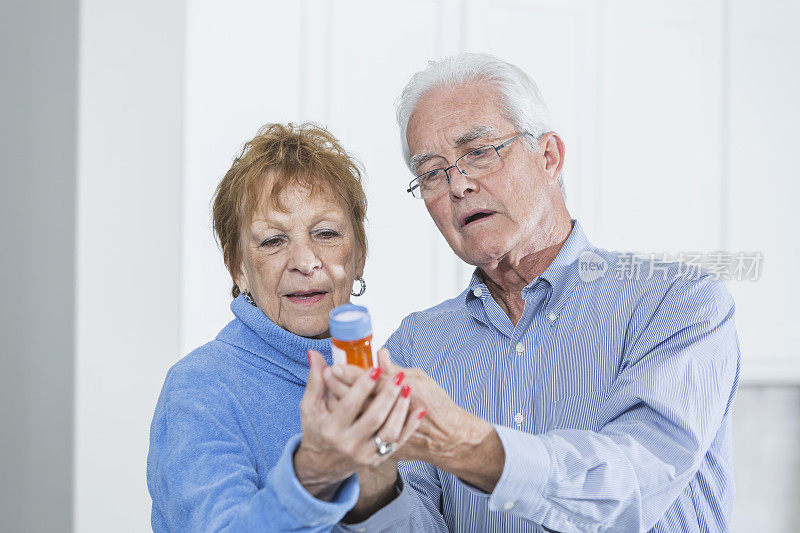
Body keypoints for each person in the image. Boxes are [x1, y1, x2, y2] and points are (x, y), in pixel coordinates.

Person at [327, 53, 740, 532]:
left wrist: (467, 445)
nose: (458, 185)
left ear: (549, 157)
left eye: (479, 151)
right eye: (433, 173)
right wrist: (372, 481)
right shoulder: (417, 345)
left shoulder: (679, 302)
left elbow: (629, 486)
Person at [146, 123, 426, 532]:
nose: (305, 261)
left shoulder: (387, 377)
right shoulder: (199, 388)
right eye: (273, 240)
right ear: (237, 267)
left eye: (326, 233)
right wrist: (312, 475)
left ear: (358, 256)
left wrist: (379, 488)